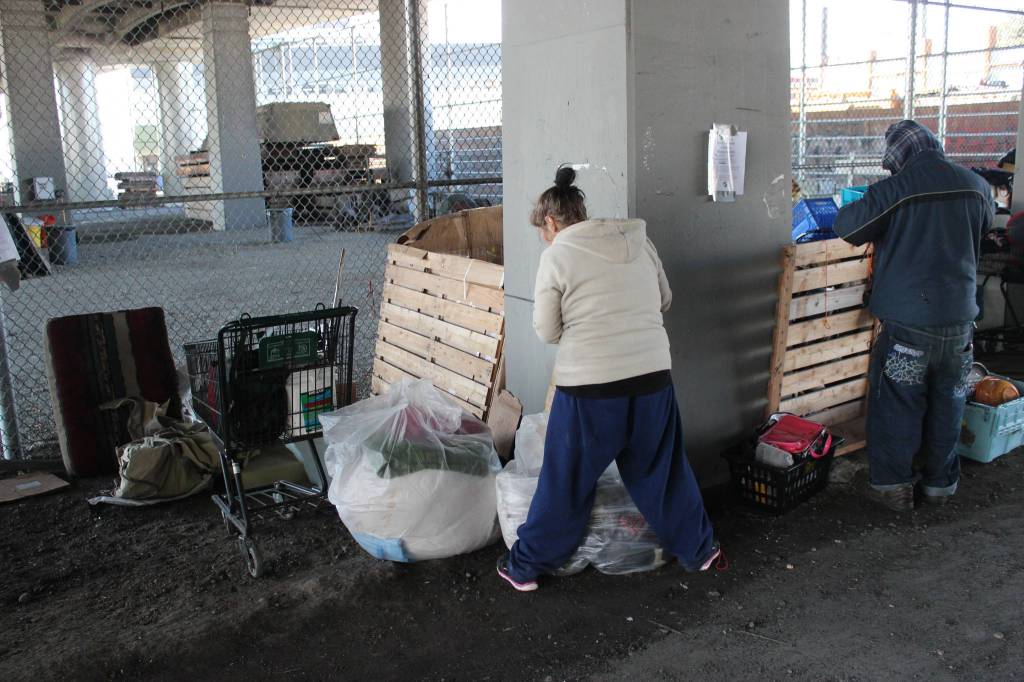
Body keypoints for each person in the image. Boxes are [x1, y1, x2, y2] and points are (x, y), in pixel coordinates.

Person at [496, 166, 719, 592]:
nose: (544, 238)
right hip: (653, 378)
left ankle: (525, 567)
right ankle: (700, 550)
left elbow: (546, 330)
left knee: (566, 480)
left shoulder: (557, 254)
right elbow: (664, 299)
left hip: (590, 390)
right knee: (663, 472)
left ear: (550, 221)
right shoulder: (639, 241)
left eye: (542, 231)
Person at [833, 120, 994, 512]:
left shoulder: (897, 189)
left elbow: (847, 227)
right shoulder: (976, 186)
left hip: (908, 328)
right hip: (959, 326)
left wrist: (877, 198)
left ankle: (894, 486)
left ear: (898, 156)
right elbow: (984, 229)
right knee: (949, 402)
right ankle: (940, 485)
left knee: (898, 405)